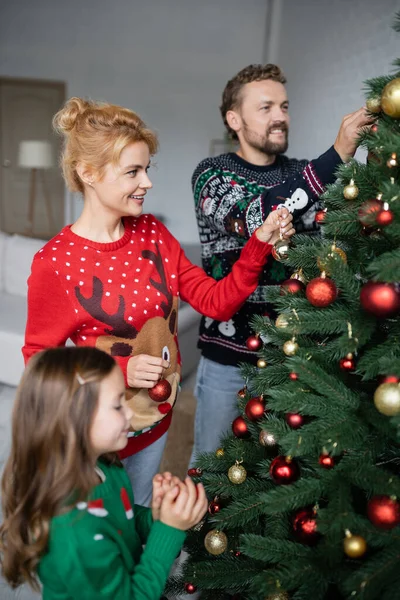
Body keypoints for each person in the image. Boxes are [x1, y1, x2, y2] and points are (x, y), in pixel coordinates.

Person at [22, 97, 295, 506]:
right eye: (133, 171)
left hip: (155, 421)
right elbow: (40, 361)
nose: (147, 182)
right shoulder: (55, 263)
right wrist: (120, 369)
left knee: (142, 511)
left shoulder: (152, 233)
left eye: (147, 169)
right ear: (88, 173)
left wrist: (256, 246)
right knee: (108, 535)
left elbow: (215, 302)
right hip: (97, 434)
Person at [189, 63, 373, 463]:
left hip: (298, 354)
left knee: (285, 470)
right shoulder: (212, 175)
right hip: (228, 355)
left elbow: (348, 222)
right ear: (233, 119)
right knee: (213, 465)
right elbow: (257, 217)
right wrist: (339, 152)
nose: (280, 117)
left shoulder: (306, 173)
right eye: (266, 107)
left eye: (285, 106)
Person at [0, 346, 208, 599]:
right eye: (117, 405)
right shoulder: (76, 536)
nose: (129, 411)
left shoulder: (104, 468)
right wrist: (169, 530)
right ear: (74, 422)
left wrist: (159, 516)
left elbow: (122, 521)